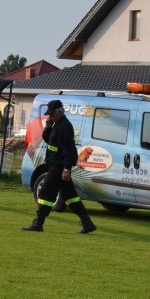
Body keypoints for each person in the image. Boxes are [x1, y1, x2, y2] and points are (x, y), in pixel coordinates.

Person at [22, 99, 97, 234]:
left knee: (45, 194)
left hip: (59, 168)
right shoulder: (57, 124)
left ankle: (38, 224)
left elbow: (69, 151)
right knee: (70, 196)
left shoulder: (65, 127)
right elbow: (49, 140)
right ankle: (87, 223)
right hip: (56, 166)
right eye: (49, 114)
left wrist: (66, 169)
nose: (50, 116)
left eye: (52, 114)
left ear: (59, 112)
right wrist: (48, 127)